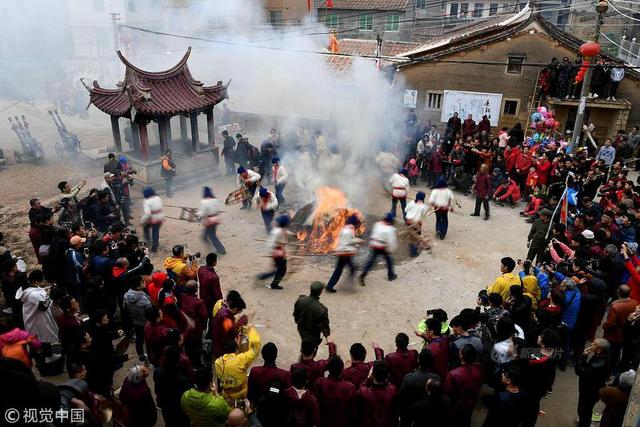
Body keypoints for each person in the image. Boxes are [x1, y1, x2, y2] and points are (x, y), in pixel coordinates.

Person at [214, 325, 261, 401]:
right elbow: (255, 349)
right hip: (242, 393)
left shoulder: (217, 363)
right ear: (236, 349)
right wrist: (252, 330)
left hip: (227, 395)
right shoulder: (241, 359)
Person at [15, 270, 59, 345]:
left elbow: (38, 291)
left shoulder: (27, 289)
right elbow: (44, 307)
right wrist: (50, 294)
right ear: (36, 281)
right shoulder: (33, 295)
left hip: (35, 319)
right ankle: (47, 355)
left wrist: (45, 291)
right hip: (38, 321)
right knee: (42, 338)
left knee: (41, 337)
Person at [397, 348, 440, 426]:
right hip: (429, 417)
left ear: (418, 360)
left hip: (412, 417)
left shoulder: (409, 378)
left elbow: (401, 399)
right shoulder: (436, 378)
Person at [444, 344, 483, 427]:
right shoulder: (479, 370)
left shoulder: (454, 374)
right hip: (470, 403)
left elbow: (447, 391)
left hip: (456, 405)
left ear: (461, 355)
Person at [576, 338, 611, 427]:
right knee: (585, 410)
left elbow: (579, 371)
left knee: (584, 411)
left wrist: (583, 356)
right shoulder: (604, 356)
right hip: (593, 389)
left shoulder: (597, 365)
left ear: (599, 350)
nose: (591, 344)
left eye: (594, 344)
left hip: (589, 391)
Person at [603, 284, 638, 371]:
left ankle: (609, 369)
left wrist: (604, 325)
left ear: (618, 292)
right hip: (627, 333)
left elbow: (609, 323)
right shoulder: (634, 303)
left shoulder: (615, 307)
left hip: (614, 335)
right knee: (618, 352)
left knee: (610, 353)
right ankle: (614, 368)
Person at [315, 356, 357, 427]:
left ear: (328, 368)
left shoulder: (320, 382)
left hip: (323, 422)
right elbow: (352, 411)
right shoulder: (349, 387)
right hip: (341, 423)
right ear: (342, 370)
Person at [359, 213, 398, 286]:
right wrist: (391, 248)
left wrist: (371, 244)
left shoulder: (377, 224)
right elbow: (391, 241)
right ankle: (391, 275)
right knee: (389, 261)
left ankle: (364, 273)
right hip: (383, 246)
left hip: (375, 244)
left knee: (371, 261)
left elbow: (373, 234)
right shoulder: (389, 229)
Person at [356, 360, 398, 427]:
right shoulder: (393, 390)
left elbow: (360, 389)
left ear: (372, 374)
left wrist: (368, 378)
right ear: (387, 376)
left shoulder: (364, 392)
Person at [326, 214, 361, 292]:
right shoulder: (349, 230)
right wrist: (358, 241)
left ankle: (329, 286)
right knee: (352, 268)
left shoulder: (345, 229)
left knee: (338, 270)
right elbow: (348, 241)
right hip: (346, 253)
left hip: (342, 252)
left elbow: (344, 240)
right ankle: (349, 285)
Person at [124, 276, 152, 361]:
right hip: (146, 322)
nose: (145, 283)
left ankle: (141, 355)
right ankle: (150, 356)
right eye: (142, 282)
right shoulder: (144, 299)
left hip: (135, 321)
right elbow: (150, 312)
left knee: (139, 339)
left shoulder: (126, 295)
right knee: (148, 340)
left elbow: (125, 308)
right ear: (138, 286)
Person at [257, 215, 290, 290]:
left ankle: (262, 277)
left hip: (280, 252)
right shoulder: (277, 232)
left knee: (278, 269)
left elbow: (286, 233)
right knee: (281, 271)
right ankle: (274, 284)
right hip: (279, 254)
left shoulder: (280, 229)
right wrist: (275, 252)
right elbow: (270, 244)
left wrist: (294, 235)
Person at [293, 282, 331, 346]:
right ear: (320, 292)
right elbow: (324, 325)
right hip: (313, 333)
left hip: (301, 328)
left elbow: (295, 314)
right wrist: (327, 336)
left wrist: (298, 322)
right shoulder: (322, 309)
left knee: (305, 345)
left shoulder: (300, 299)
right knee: (311, 350)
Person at [198, 186, 226, 255]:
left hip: (210, 220)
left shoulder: (204, 202)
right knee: (208, 235)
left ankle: (221, 249)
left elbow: (203, 212)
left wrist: (198, 214)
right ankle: (213, 247)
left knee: (211, 236)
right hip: (216, 218)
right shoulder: (215, 200)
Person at [141, 187, 163, 253]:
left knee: (145, 228)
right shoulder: (158, 198)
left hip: (151, 218)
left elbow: (147, 214)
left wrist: (142, 221)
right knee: (156, 232)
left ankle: (147, 241)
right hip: (159, 217)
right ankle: (155, 247)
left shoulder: (147, 201)